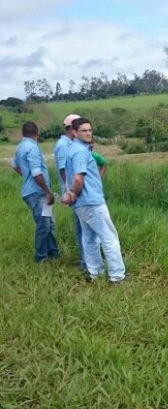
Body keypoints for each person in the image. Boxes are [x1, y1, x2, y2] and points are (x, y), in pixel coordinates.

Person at [64, 117, 126, 284]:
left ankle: (95, 274)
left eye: (90, 130)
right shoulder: (80, 152)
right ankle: (117, 277)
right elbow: (78, 178)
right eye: (84, 130)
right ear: (74, 132)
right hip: (91, 202)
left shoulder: (73, 150)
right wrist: (75, 193)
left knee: (89, 239)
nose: (88, 133)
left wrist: (72, 195)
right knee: (109, 238)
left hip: (82, 204)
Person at [12, 121, 60, 262]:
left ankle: (53, 253)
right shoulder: (32, 148)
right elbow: (36, 172)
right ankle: (41, 258)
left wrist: (25, 176)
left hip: (35, 191)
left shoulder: (20, 147)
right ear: (37, 133)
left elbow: (14, 165)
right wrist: (47, 192)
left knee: (49, 223)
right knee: (43, 225)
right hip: (38, 193)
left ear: (23, 133)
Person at [54, 114, 86, 270]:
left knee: (84, 227)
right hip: (73, 192)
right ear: (72, 129)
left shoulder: (73, 144)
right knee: (82, 228)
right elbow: (63, 171)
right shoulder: (62, 145)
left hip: (77, 190)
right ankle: (85, 263)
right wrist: (69, 192)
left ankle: (86, 261)